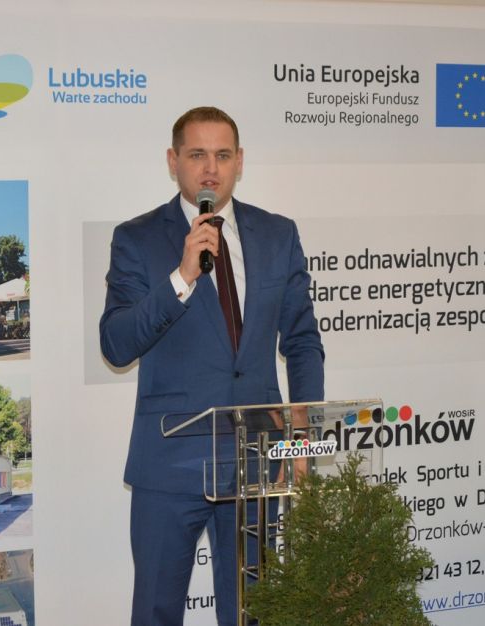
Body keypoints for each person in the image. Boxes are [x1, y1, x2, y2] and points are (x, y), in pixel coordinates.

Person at [100, 106, 324, 626]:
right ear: (173, 161)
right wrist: (181, 278)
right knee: (156, 613)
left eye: (223, 155)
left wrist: (303, 434)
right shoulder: (137, 239)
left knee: (254, 614)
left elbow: (302, 341)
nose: (210, 168)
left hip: (257, 460)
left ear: (239, 161)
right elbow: (116, 344)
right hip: (170, 462)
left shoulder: (278, 234)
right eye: (197, 154)